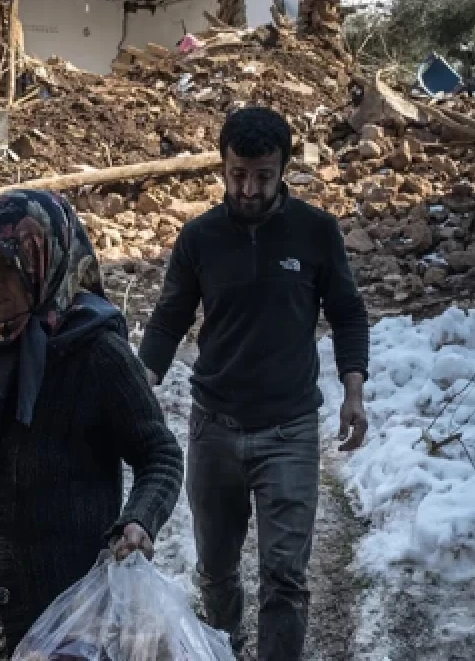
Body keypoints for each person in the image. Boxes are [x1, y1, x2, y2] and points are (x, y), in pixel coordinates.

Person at [139, 107, 370, 661]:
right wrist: (139, 387)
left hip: (289, 430)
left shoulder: (315, 232)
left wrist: (354, 391)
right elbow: (170, 319)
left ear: (283, 169)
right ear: (223, 166)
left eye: (262, 176)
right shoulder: (199, 238)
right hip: (214, 428)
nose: (248, 188)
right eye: (237, 173)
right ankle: (226, 648)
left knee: (285, 577)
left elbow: (347, 312)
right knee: (216, 572)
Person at [0, 189, 185, 661]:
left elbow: (160, 455)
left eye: (9, 265)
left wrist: (139, 519)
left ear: (43, 262)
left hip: (69, 602)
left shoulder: (96, 352)